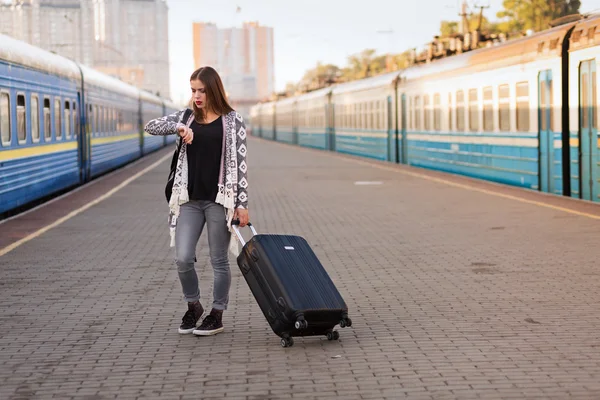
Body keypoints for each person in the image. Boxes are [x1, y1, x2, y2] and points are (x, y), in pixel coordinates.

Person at [144, 66, 249, 336]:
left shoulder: (232, 120)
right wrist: (178, 127)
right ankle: (194, 306)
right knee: (182, 258)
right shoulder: (187, 117)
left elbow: (240, 165)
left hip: (218, 200)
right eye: (193, 90)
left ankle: (217, 313)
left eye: (202, 90)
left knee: (219, 261)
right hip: (189, 200)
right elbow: (151, 126)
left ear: (213, 89)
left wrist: (242, 204)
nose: (197, 95)